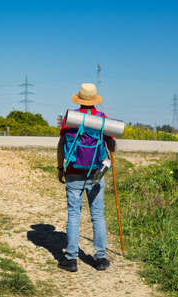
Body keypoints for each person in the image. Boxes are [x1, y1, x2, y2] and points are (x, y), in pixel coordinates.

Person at [56, 83, 116, 272]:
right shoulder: (102, 119)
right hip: (96, 173)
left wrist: (60, 167)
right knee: (97, 216)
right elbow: (112, 147)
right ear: (94, 100)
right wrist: (111, 145)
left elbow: (61, 144)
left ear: (79, 99)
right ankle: (100, 258)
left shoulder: (70, 118)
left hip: (74, 171)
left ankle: (71, 259)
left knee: (74, 214)